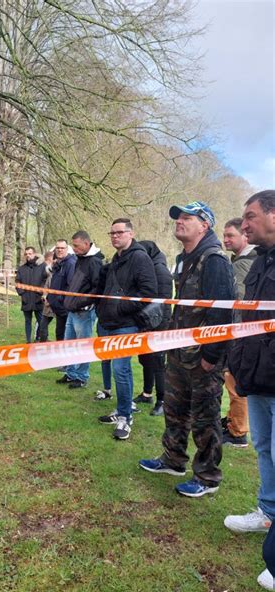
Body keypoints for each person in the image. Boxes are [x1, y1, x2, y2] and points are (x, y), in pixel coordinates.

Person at [139, 201, 235, 497]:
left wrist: (211, 356)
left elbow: (222, 311)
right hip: (179, 352)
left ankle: (207, 477)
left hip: (203, 358)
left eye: (186, 218)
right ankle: (173, 459)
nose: (179, 222)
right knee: (174, 409)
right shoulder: (183, 259)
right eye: (177, 218)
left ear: (204, 225)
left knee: (205, 417)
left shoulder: (214, 260)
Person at [225, 190, 275, 591]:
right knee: (263, 449)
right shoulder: (260, 262)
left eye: (251, 216)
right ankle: (267, 512)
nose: (244, 225)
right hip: (257, 378)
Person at [95, 220, 158, 440]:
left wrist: (120, 308)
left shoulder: (140, 258)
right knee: (117, 369)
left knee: (121, 370)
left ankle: (125, 418)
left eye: (119, 232)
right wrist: (102, 307)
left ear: (131, 234)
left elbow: (149, 292)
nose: (114, 236)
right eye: (111, 232)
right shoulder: (116, 259)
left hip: (127, 323)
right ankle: (123, 409)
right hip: (110, 322)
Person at [221, 218, 257, 447]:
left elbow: (239, 301)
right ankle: (233, 421)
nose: (226, 240)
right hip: (241, 332)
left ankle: (238, 432)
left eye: (230, 236)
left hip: (241, 333)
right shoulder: (241, 261)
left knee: (235, 383)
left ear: (245, 236)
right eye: (224, 236)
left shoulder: (245, 264)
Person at [56, 230, 103, 388]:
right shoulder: (79, 259)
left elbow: (97, 289)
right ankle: (71, 373)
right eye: (73, 246)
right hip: (72, 310)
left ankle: (82, 377)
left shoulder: (95, 262)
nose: (73, 249)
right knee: (68, 343)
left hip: (84, 312)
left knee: (83, 346)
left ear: (86, 243)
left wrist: (80, 302)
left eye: (76, 246)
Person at [133, 240, 173, 417]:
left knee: (158, 363)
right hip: (145, 323)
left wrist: (157, 327)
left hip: (158, 325)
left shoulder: (161, 271)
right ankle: (147, 393)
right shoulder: (147, 268)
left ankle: (162, 401)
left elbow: (163, 304)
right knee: (145, 359)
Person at [15, 246, 47, 343]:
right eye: (26, 254)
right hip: (26, 300)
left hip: (38, 299)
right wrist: (22, 294)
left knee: (42, 322)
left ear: (34, 254)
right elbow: (17, 282)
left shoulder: (42, 266)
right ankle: (28, 341)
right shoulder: (22, 268)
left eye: (30, 253)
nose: (28, 256)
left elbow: (45, 280)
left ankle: (42, 340)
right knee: (27, 321)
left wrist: (41, 292)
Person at [47, 240, 76, 341]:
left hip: (65, 308)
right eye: (57, 248)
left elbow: (71, 286)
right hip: (57, 308)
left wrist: (61, 300)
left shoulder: (70, 264)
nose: (59, 250)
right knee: (59, 334)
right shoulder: (58, 264)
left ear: (67, 249)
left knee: (64, 336)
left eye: (62, 248)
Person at [37, 251, 55, 342]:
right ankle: (42, 341)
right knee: (43, 325)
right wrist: (44, 296)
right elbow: (46, 286)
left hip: (58, 304)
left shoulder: (59, 271)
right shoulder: (47, 271)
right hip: (47, 304)